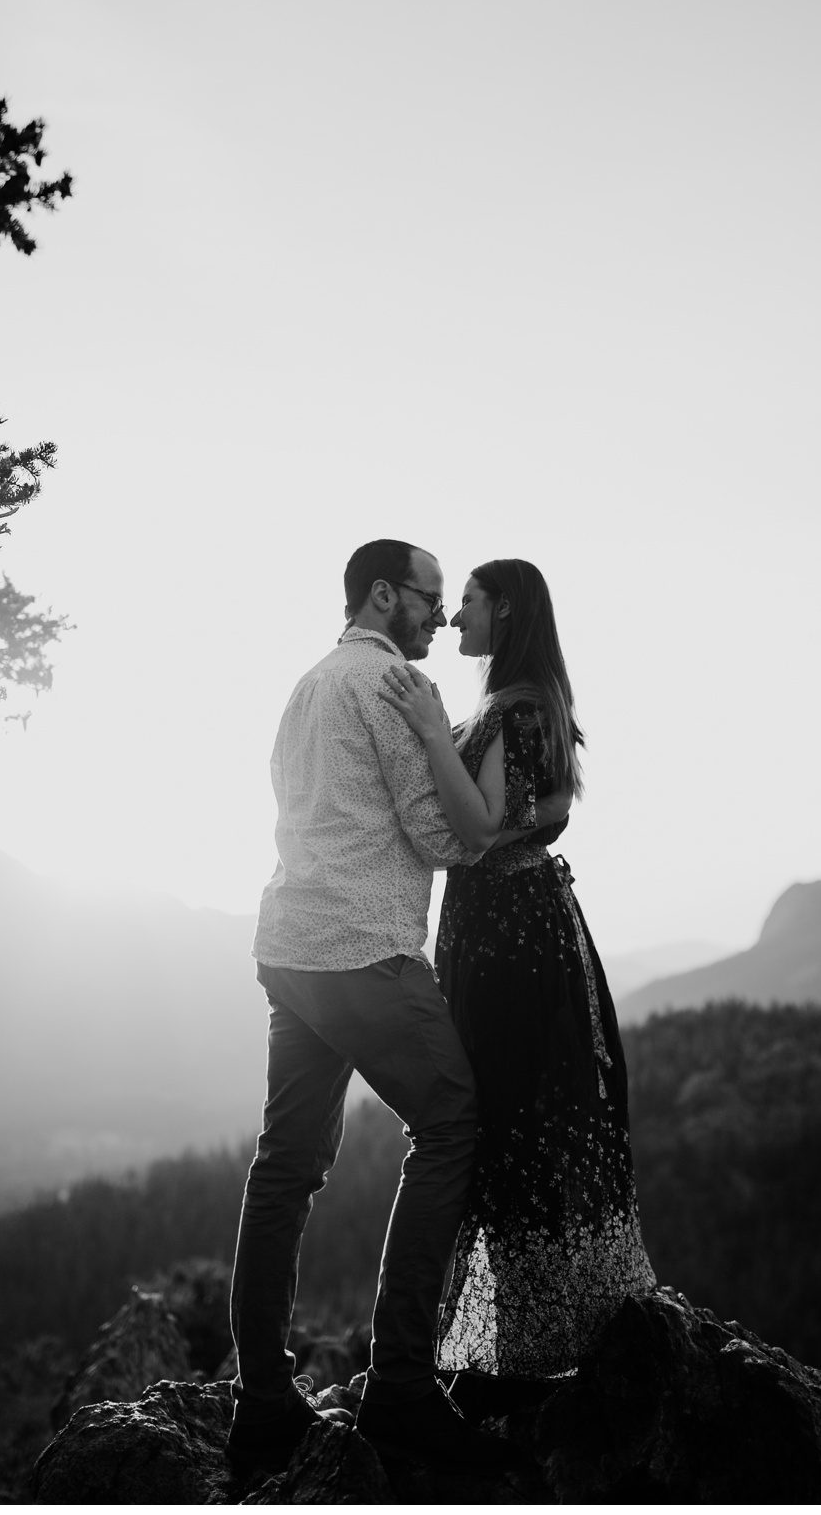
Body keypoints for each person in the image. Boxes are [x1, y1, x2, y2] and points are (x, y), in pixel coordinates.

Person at [226, 538, 569, 1472]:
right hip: (363, 953)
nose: (437, 615)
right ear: (384, 597)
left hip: (287, 947)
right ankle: (405, 1387)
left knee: (284, 1168)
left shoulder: (308, 683)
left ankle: (261, 1401)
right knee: (454, 1123)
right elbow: (449, 838)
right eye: (426, 597)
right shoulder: (388, 689)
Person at [381, 557, 656, 1413]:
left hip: (506, 938)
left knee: (508, 1120)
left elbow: (485, 828)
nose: (455, 614)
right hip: (520, 925)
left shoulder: (512, 707)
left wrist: (430, 731)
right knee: (524, 1116)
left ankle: (526, 1360)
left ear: (504, 608)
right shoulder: (532, 700)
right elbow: (547, 812)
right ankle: (534, 1344)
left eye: (467, 599)